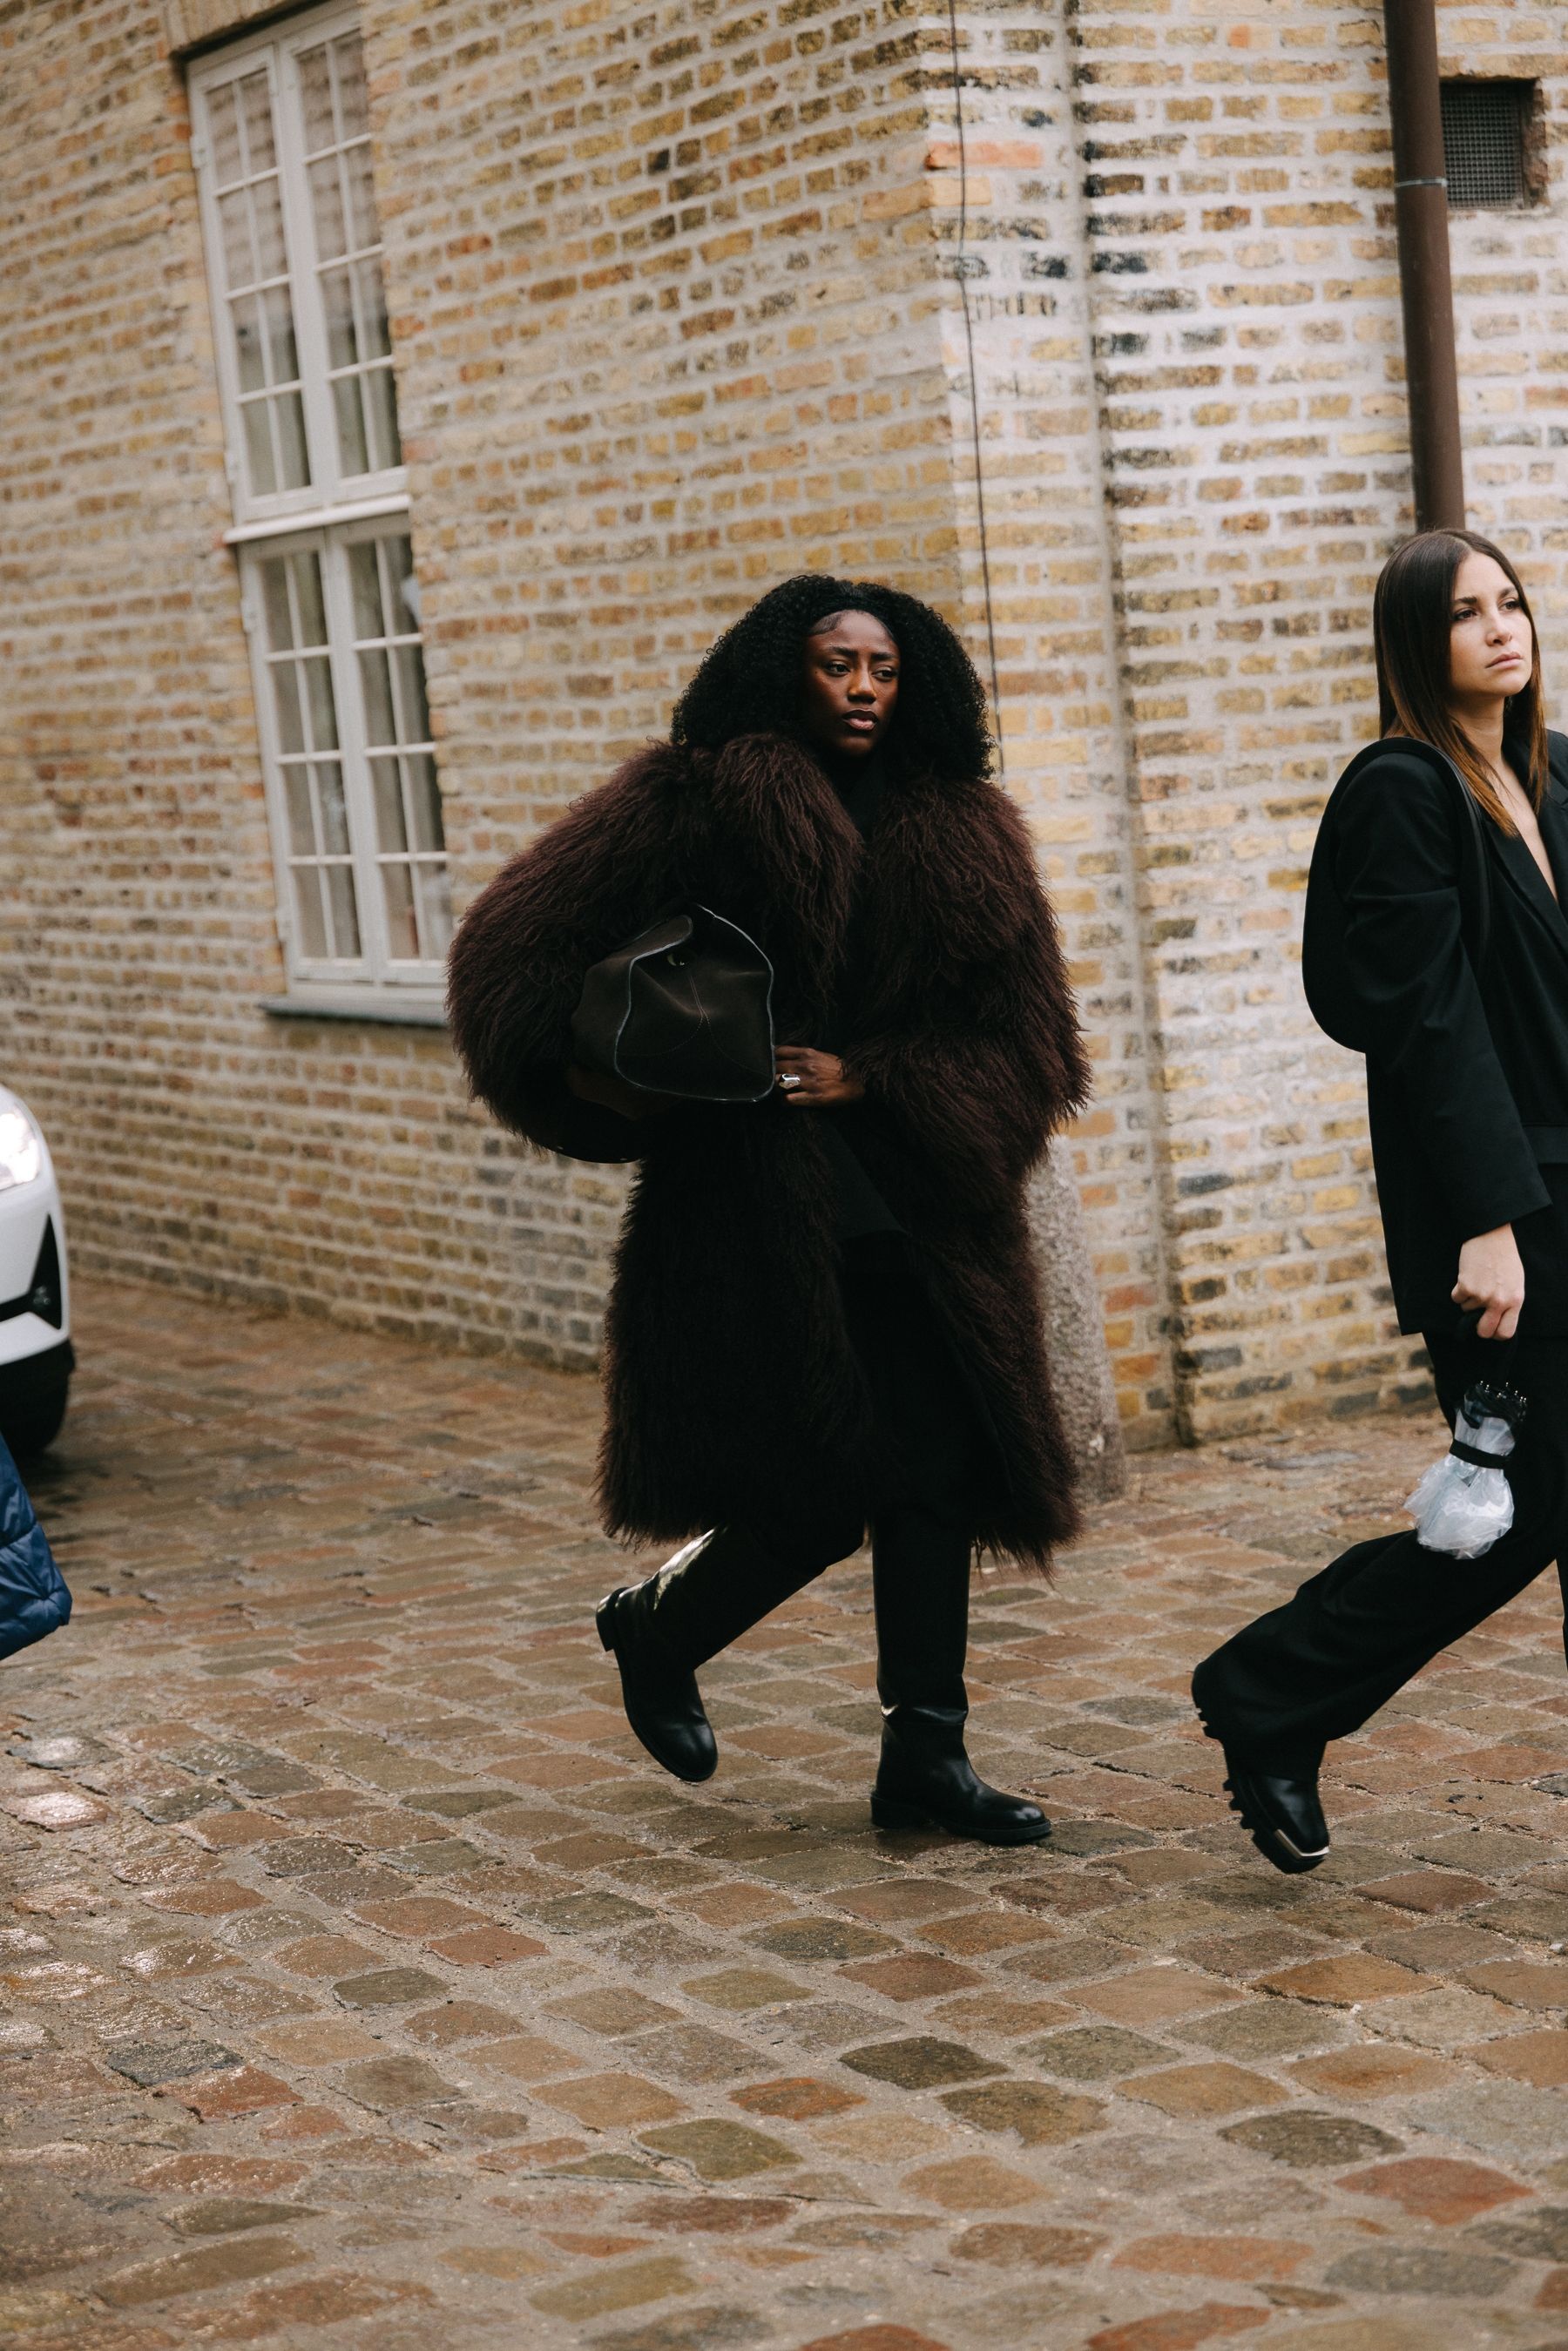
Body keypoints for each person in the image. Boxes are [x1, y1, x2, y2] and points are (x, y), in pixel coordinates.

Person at [448, 575, 1088, 1844]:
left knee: (932, 1480)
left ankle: (925, 1758)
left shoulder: (968, 829)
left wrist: (879, 1077)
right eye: (837, 662)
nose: (862, 688)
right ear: (785, 667)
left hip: (924, 1207)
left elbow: (1036, 1052)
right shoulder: (692, 798)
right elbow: (508, 960)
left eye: (885, 669)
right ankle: (660, 1628)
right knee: (815, 1488)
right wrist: (646, 1073)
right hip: (750, 1210)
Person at [1192, 527, 1568, 1872]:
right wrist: (1489, 1218)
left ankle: (1272, 1692)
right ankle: (1270, 1691)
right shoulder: (1403, 791)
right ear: (1418, 641)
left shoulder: (1551, 770)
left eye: (1511, 602)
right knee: (1515, 1508)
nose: (1502, 627)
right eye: (1466, 613)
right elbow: (1428, 1020)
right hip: (1507, 1210)